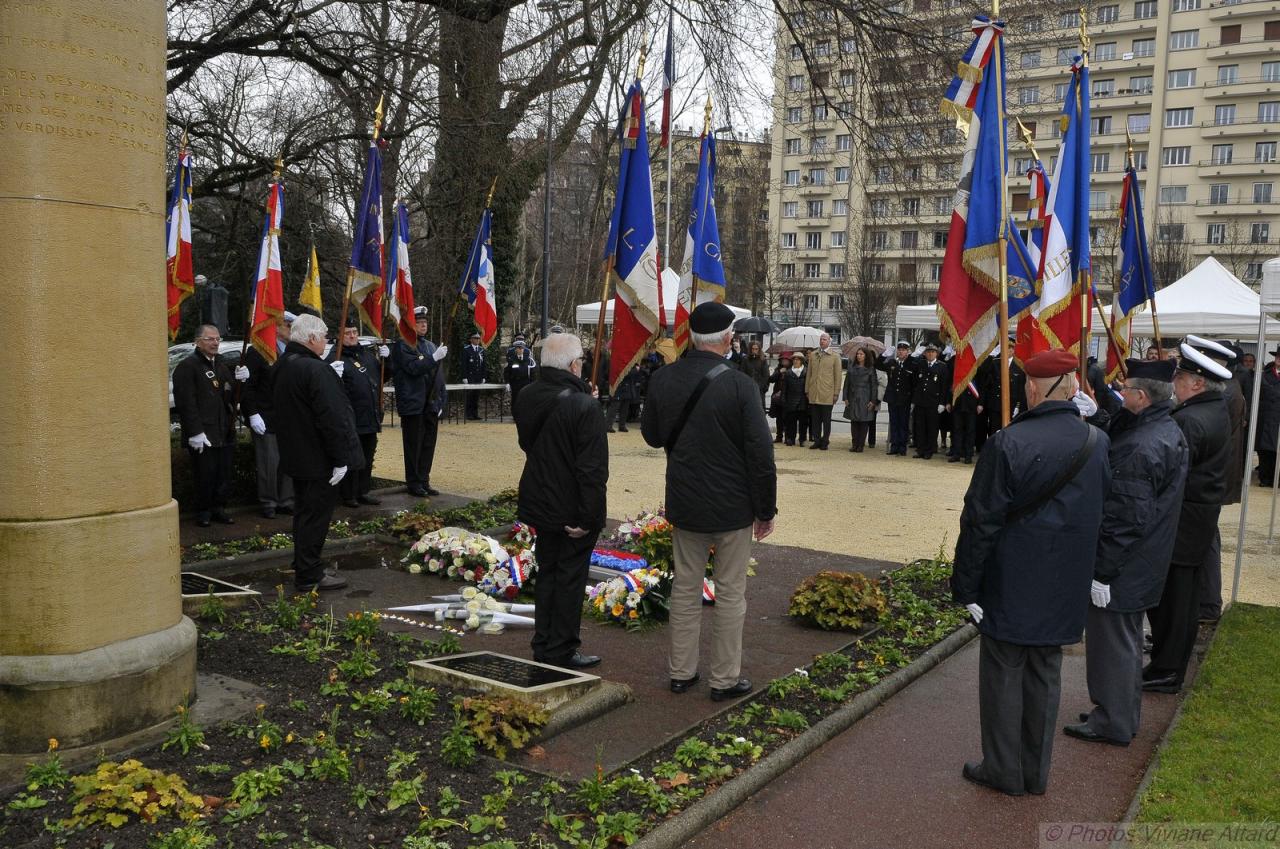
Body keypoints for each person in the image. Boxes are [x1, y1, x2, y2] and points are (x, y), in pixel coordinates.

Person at [951, 348, 1112, 796]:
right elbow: (1105, 512)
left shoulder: (1008, 441)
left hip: (1012, 577)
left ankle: (1003, 770)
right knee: (1045, 672)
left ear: (1034, 389)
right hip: (1065, 580)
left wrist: (965, 586)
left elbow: (980, 520)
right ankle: (1034, 772)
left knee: (1004, 673)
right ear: (1074, 388)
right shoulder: (1096, 442)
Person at [642, 302, 778, 701]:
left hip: (686, 500)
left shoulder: (664, 378)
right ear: (728, 339)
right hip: (733, 506)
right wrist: (765, 509)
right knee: (730, 592)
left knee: (685, 589)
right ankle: (723, 679)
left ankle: (681, 673)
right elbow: (760, 453)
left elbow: (651, 436)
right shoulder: (739, 385)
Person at [1063, 358, 1187, 747]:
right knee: (1126, 642)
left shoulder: (1142, 447)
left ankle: (1112, 721)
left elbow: (1125, 519)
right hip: (1143, 561)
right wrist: (1101, 413)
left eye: (1127, 389)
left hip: (1125, 565)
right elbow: (1125, 429)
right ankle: (1118, 711)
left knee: (1111, 645)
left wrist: (1101, 572)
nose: (1122, 392)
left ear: (1142, 396)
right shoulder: (1160, 426)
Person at [515, 333, 608, 669]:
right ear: (573, 365)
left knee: (548, 571)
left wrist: (585, 397)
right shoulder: (583, 405)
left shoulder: (527, 394)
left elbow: (530, 443)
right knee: (569, 578)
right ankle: (561, 648)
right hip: (572, 504)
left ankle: (544, 642)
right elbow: (592, 469)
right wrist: (591, 516)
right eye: (581, 360)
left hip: (540, 497)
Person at [1144, 339, 1233, 694]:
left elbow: (1168, 474)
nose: (1175, 382)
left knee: (1173, 605)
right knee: (1180, 602)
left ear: (1197, 383)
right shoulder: (1208, 409)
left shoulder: (1191, 420)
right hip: (1192, 522)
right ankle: (1167, 665)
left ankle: (1166, 670)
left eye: (1180, 377)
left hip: (1181, 525)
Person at [272, 314, 362, 592]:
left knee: (304, 514)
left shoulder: (284, 364)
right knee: (316, 517)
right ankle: (310, 573)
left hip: (296, 454)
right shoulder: (316, 369)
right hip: (318, 457)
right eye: (323, 337)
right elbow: (331, 418)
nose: (325, 342)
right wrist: (340, 459)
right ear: (311, 339)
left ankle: (304, 564)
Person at [172, 324, 238, 528]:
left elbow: (228, 396)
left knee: (222, 474)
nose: (215, 343)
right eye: (210, 339)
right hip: (203, 433)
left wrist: (239, 382)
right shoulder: (188, 366)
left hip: (223, 430)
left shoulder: (221, 365)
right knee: (205, 475)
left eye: (218, 339)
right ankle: (203, 511)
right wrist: (195, 432)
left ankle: (219, 508)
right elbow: (186, 403)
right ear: (198, 342)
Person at [234, 313, 297, 519]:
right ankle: (269, 501)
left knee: (288, 461)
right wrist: (252, 413)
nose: (291, 329)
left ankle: (286, 499)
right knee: (269, 463)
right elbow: (248, 387)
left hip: (288, 417)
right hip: (266, 417)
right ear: (276, 327)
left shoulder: (292, 353)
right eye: (288, 325)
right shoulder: (258, 351)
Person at [391, 306, 448, 497]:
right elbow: (414, 368)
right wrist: (433, 358)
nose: (423, 326)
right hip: (413, 404)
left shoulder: (431, 346)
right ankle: (414, 482)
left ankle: (424, 479)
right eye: (419, 322)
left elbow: (439, 377)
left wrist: (440, 401)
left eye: (425, 323)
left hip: (430, 404)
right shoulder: (403, 344)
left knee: (427, 445)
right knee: (414, 445)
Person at [337, 321, 388, 508]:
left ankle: (363, 491)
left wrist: (386, 361)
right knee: (352, 458)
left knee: (367, 457)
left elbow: (382, 376)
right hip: (351, 418)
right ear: (339, 336)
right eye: (347, 332)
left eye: (354, 332)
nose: (352, 336)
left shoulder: (365, 355)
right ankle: (348, 494)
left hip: (370, 417)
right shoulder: (336, 357)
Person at [908, 342, 948, 459]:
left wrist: (942, 403)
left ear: (937, 354)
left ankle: (930, 450)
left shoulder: (942, 366)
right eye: (928, 352)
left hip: (933, 402)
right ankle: (920, 449)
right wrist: (914, 401)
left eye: (933, 352)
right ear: (925, 353)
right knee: (920, 427)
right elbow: (916, 383)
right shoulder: (920, 364)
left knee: (932, 427)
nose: (930, 354)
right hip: (920, 401)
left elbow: (944, 386)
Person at [805, 333, 842, 450]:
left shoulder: (835, 356)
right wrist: (807, 389)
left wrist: (836, 393)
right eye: (821, 339)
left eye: (824, 339)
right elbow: (809, 374)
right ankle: (816, 440)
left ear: (829, 342)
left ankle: (825, 440)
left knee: (826, 420)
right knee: (815, 419)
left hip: (827, 393)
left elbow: (838, 376)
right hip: (814, 392)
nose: (822, 341)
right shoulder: (813, 355)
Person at [877, 341, 914, 455]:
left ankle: (902, 446)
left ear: (908, 351)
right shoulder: (892, 362)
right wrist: (884, 355)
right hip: (893, 397)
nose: (901, 352)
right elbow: (877, 365)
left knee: (903, 423)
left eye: (903, 350)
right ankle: (894, 445)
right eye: (899, 350)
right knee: (894, 422)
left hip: (905, 398)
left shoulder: (911, 363)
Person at [843, 347, 879, 452]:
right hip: (853, 396)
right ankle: (854, 444)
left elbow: (874, 386)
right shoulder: (851, 367)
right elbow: (846, 384)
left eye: (861, 354)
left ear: (866, 356)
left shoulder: (871, 369)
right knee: (854, 421)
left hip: (865, 397)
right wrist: (845, 397)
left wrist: (873, 401)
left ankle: (861, 445)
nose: (859, 356)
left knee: (864, 422)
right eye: (858, 354)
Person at [1257, 347, 1280, 487]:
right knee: (1265, 450)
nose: (1279, 359)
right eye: (1278, 356)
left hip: (1278, 419)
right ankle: (1265, 478)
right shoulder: (1264, 375)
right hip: (1265, 418)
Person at [947, 378, 980, 464]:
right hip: (958, 405)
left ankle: (968, 455)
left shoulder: (974, 370)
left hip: (971, 406)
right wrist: (948, 402)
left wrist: (981, 404)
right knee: (957, 431)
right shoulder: (958, 371)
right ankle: (957, 454)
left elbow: (981, 388)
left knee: (970, 431)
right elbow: (952, 387)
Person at [780, 352, 810, 446]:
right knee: (791, 422)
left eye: (798, 359)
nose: (795, 361)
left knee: (803, 422)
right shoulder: (788, 373)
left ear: (801, 361)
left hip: (803, 400)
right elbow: (784, 388)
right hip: (791, 400)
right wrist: (783, 399)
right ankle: (791, 439)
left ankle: (802, 439)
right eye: (794, 359)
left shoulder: (806, 372)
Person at [505, 336, 537, 409]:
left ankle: (524, 415)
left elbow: (532, 372)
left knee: (525, 400)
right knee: (515, 400)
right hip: (515, 383)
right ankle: (515, 415)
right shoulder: (511, 360)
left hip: (526, 383)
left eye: (522, 348)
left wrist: (533, 383)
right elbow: (507, 372)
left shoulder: (529, 360)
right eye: (519, 348)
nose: (520, 350)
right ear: (516, 349)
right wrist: (507, 382)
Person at [461, 332, 487, 421]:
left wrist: (483, 376)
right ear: (471, 339)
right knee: (469, 396)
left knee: (476, 396)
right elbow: (464, 364)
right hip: (470, 376)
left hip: (478, 377)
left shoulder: (481, 350)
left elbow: (484, 364)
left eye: (478, 339)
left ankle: (475, 414)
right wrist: (464, 376)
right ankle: (468, 414)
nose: (477, 340)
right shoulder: (466, 349)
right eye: (475, 338)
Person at [738, 340, 771, 407]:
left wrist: (760, 386)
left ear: (759, 349)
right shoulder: (745, 360)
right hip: (747, 388)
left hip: (760, 388)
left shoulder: (763, 360)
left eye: (756, 349)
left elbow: (766, 375)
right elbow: (742, 373)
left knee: (759, 407)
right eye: (753, 349)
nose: (754, 350)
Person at [767, 360, 788, 443]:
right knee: (778, 418)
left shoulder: (791, 369)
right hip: (777, 397)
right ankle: (779, 436)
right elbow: (771, 379)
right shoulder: (778, 369)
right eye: (783, 360)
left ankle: (787, 437)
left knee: (786, 418)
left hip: (787, 396)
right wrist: (779, 372)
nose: (784, 362)